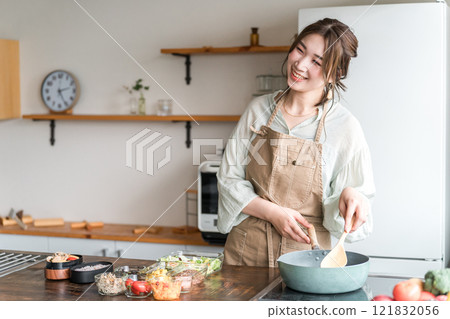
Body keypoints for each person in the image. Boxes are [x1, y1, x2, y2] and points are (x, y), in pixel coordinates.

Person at [217, 18, 375, 267]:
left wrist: (350, 194)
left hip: (308, 259)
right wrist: (273, 213)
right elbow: (228, 179)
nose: (300, 64)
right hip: (244, 254)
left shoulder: (345, 126)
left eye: (316, 61)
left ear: (336, 73)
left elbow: (349, 217)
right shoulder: (258, 109)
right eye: (300, 50)